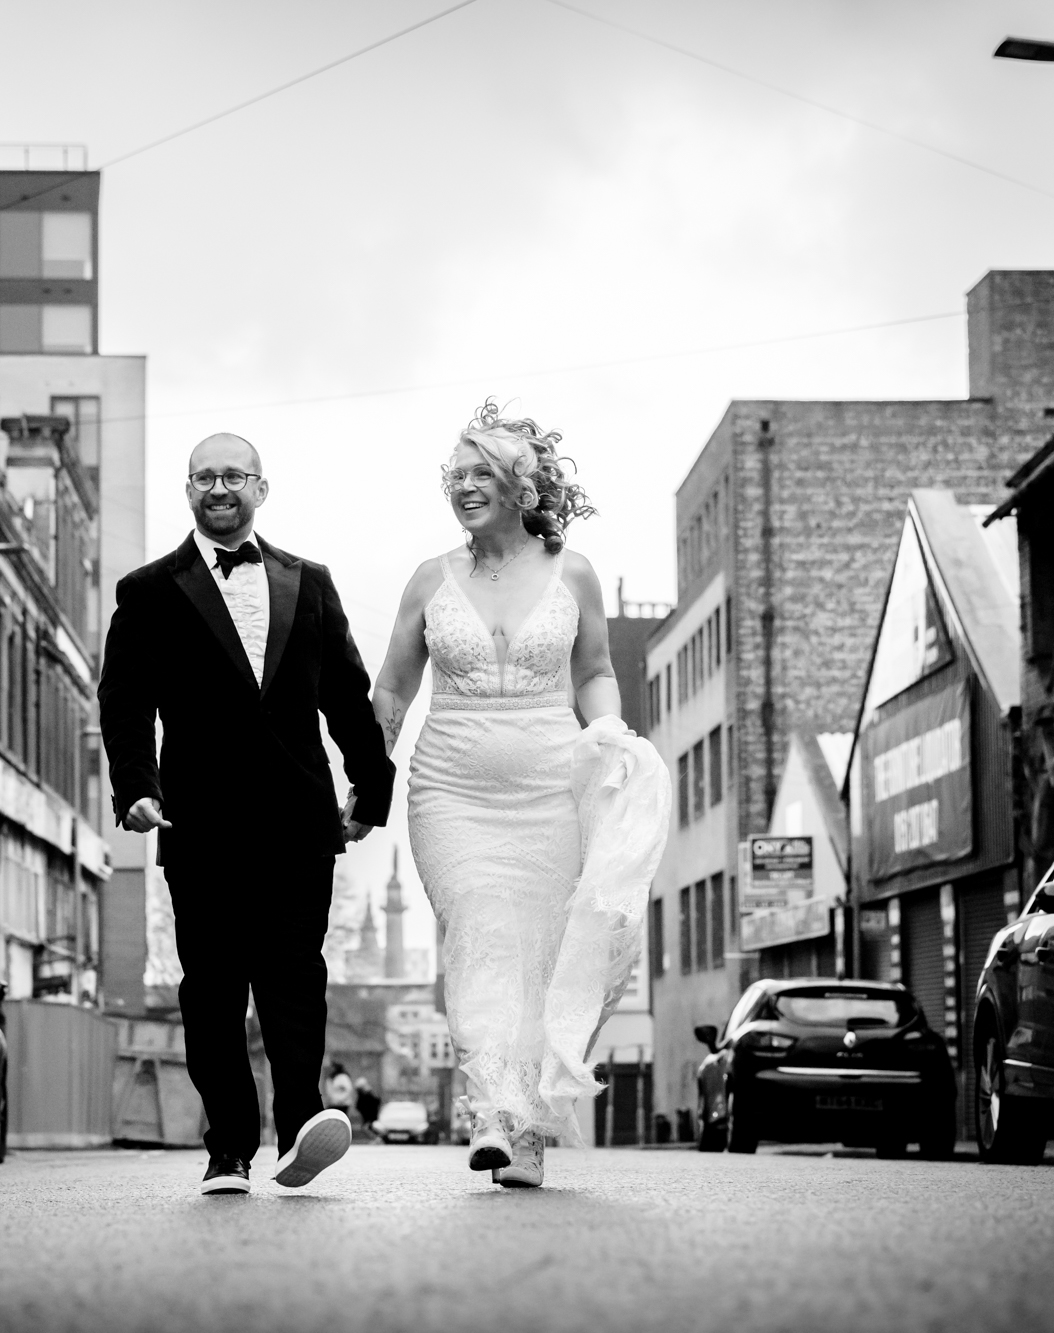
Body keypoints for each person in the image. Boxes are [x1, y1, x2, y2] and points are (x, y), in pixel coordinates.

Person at [371, 401, 665, 1189]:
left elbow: (595, 670)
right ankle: (491, 1111)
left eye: (480, 474)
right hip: (451, 790)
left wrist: (610, 735)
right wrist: (365, 782)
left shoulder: (572, 571)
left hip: (549, 787)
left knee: (541, 948)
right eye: (455, 475)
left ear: (518, 485)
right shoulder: (431, 579)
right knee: (480, 927)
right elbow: (392, 692)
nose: (464, 487)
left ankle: (529, 1125)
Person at [98, 432, 395, 1196]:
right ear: (188, 489)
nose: (218, 486)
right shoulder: (149, 590)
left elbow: (347, 697)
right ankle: (228, 1144)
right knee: (214, 989)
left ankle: (300, 1124)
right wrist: (135, 785)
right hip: (198, 824)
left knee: (295, 977)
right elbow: (124, 701)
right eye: (204, 476)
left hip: (299, 819)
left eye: (233, 474)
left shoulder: (312, 582)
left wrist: (372, 785)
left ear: (262, 487)